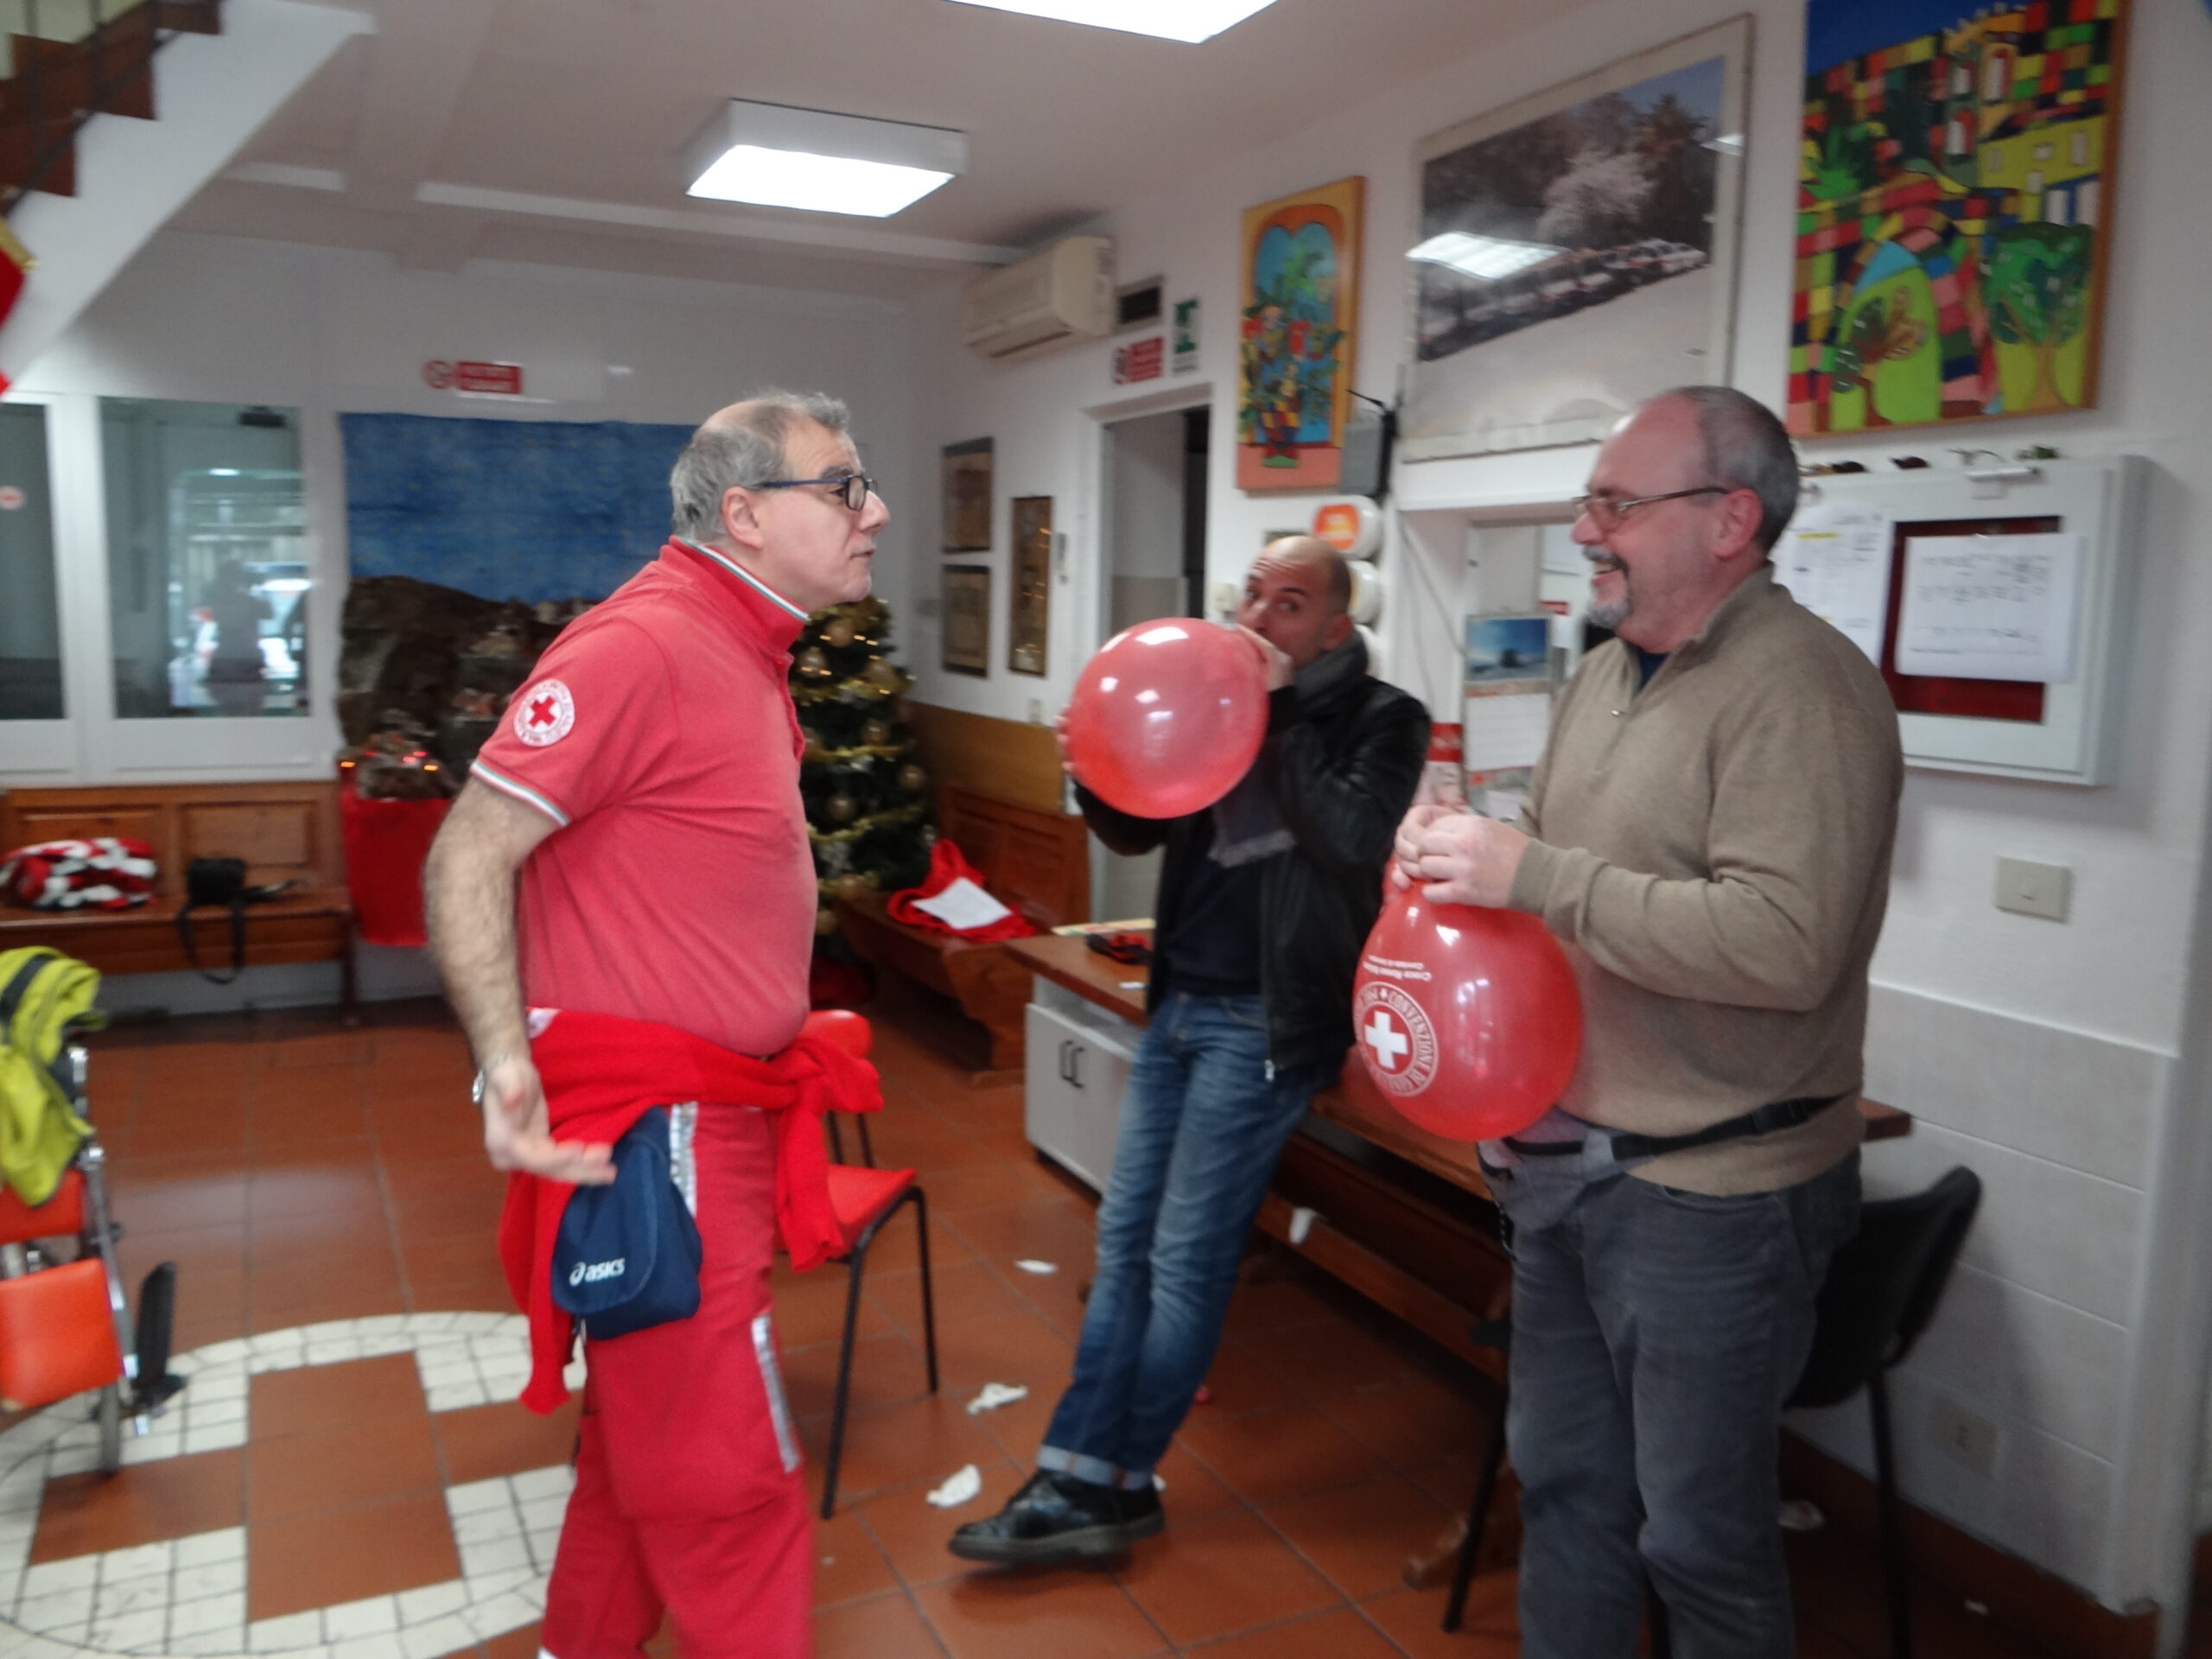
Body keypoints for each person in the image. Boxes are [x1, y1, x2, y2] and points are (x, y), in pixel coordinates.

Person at [1395, 386, 1902, 1658]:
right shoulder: (1607, 672)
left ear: (1730, 520)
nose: (1586, 531)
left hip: (1714, 1201)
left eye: (1616, 505)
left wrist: (1534, 875)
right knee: (1566, 1490)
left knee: (1699, 1544)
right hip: (1567, 1167)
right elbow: (1555, 873)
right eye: (1589, 504)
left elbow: (1785, 946)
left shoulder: (1806, 687)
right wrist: (1458, 856)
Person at [423, 391, 889, 1659]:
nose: (875, 512)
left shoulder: (744, 645)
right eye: (843, 487)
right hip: (664, 1134)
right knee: (728, 1477)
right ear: (745, 514)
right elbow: (468, 853)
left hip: (713, 1113)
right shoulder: (644, 646)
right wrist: (505, 1066)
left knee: (643, 1442)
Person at [950, 536, 1429, 1564]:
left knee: (1182, 1260)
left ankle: (1106, 1477)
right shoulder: (1216, 698)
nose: (1258, 617)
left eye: (1288, 602)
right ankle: (1087, 1476)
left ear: (1335, 627)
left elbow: (1349, 837)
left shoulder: (1385, 720)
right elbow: (1138, 831)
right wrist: (1093, 769)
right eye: (1252, 594)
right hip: (1176, 1006)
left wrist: (1279, 713)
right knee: (1123, 1241)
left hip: (1266, 1024)